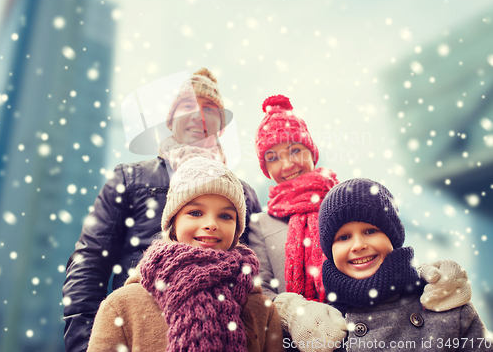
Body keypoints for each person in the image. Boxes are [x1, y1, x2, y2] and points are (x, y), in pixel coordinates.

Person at [248, 95, 473, 351]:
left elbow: (391, 250)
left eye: (295, 150)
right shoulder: (261, 224)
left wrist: (430, 279)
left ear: (311, 151)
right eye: (273, 157)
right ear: (265, 167)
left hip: (365, 319)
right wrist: (295, 312)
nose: (287, 164)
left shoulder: (345, 200)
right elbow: (259, 291)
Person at [63, 68, 262, 352]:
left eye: (209, 108)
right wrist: (88, 344)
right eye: (187, 106)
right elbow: (90, 261)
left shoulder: (244, 194)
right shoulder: (129, 178)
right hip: (140, 331)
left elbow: (259, 274)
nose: (198, 115)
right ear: (170, 121)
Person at [86, 157, 283, 352]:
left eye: (225, 216)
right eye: (196, 212)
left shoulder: (262, 310)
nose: (211, 224)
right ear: (173, 223)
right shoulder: (122, 306)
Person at [318, 178, 491, 352]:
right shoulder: (322, 327)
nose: (358, 245)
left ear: (393, 237)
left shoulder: (444, 303)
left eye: (370, 231)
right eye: (344, 237)